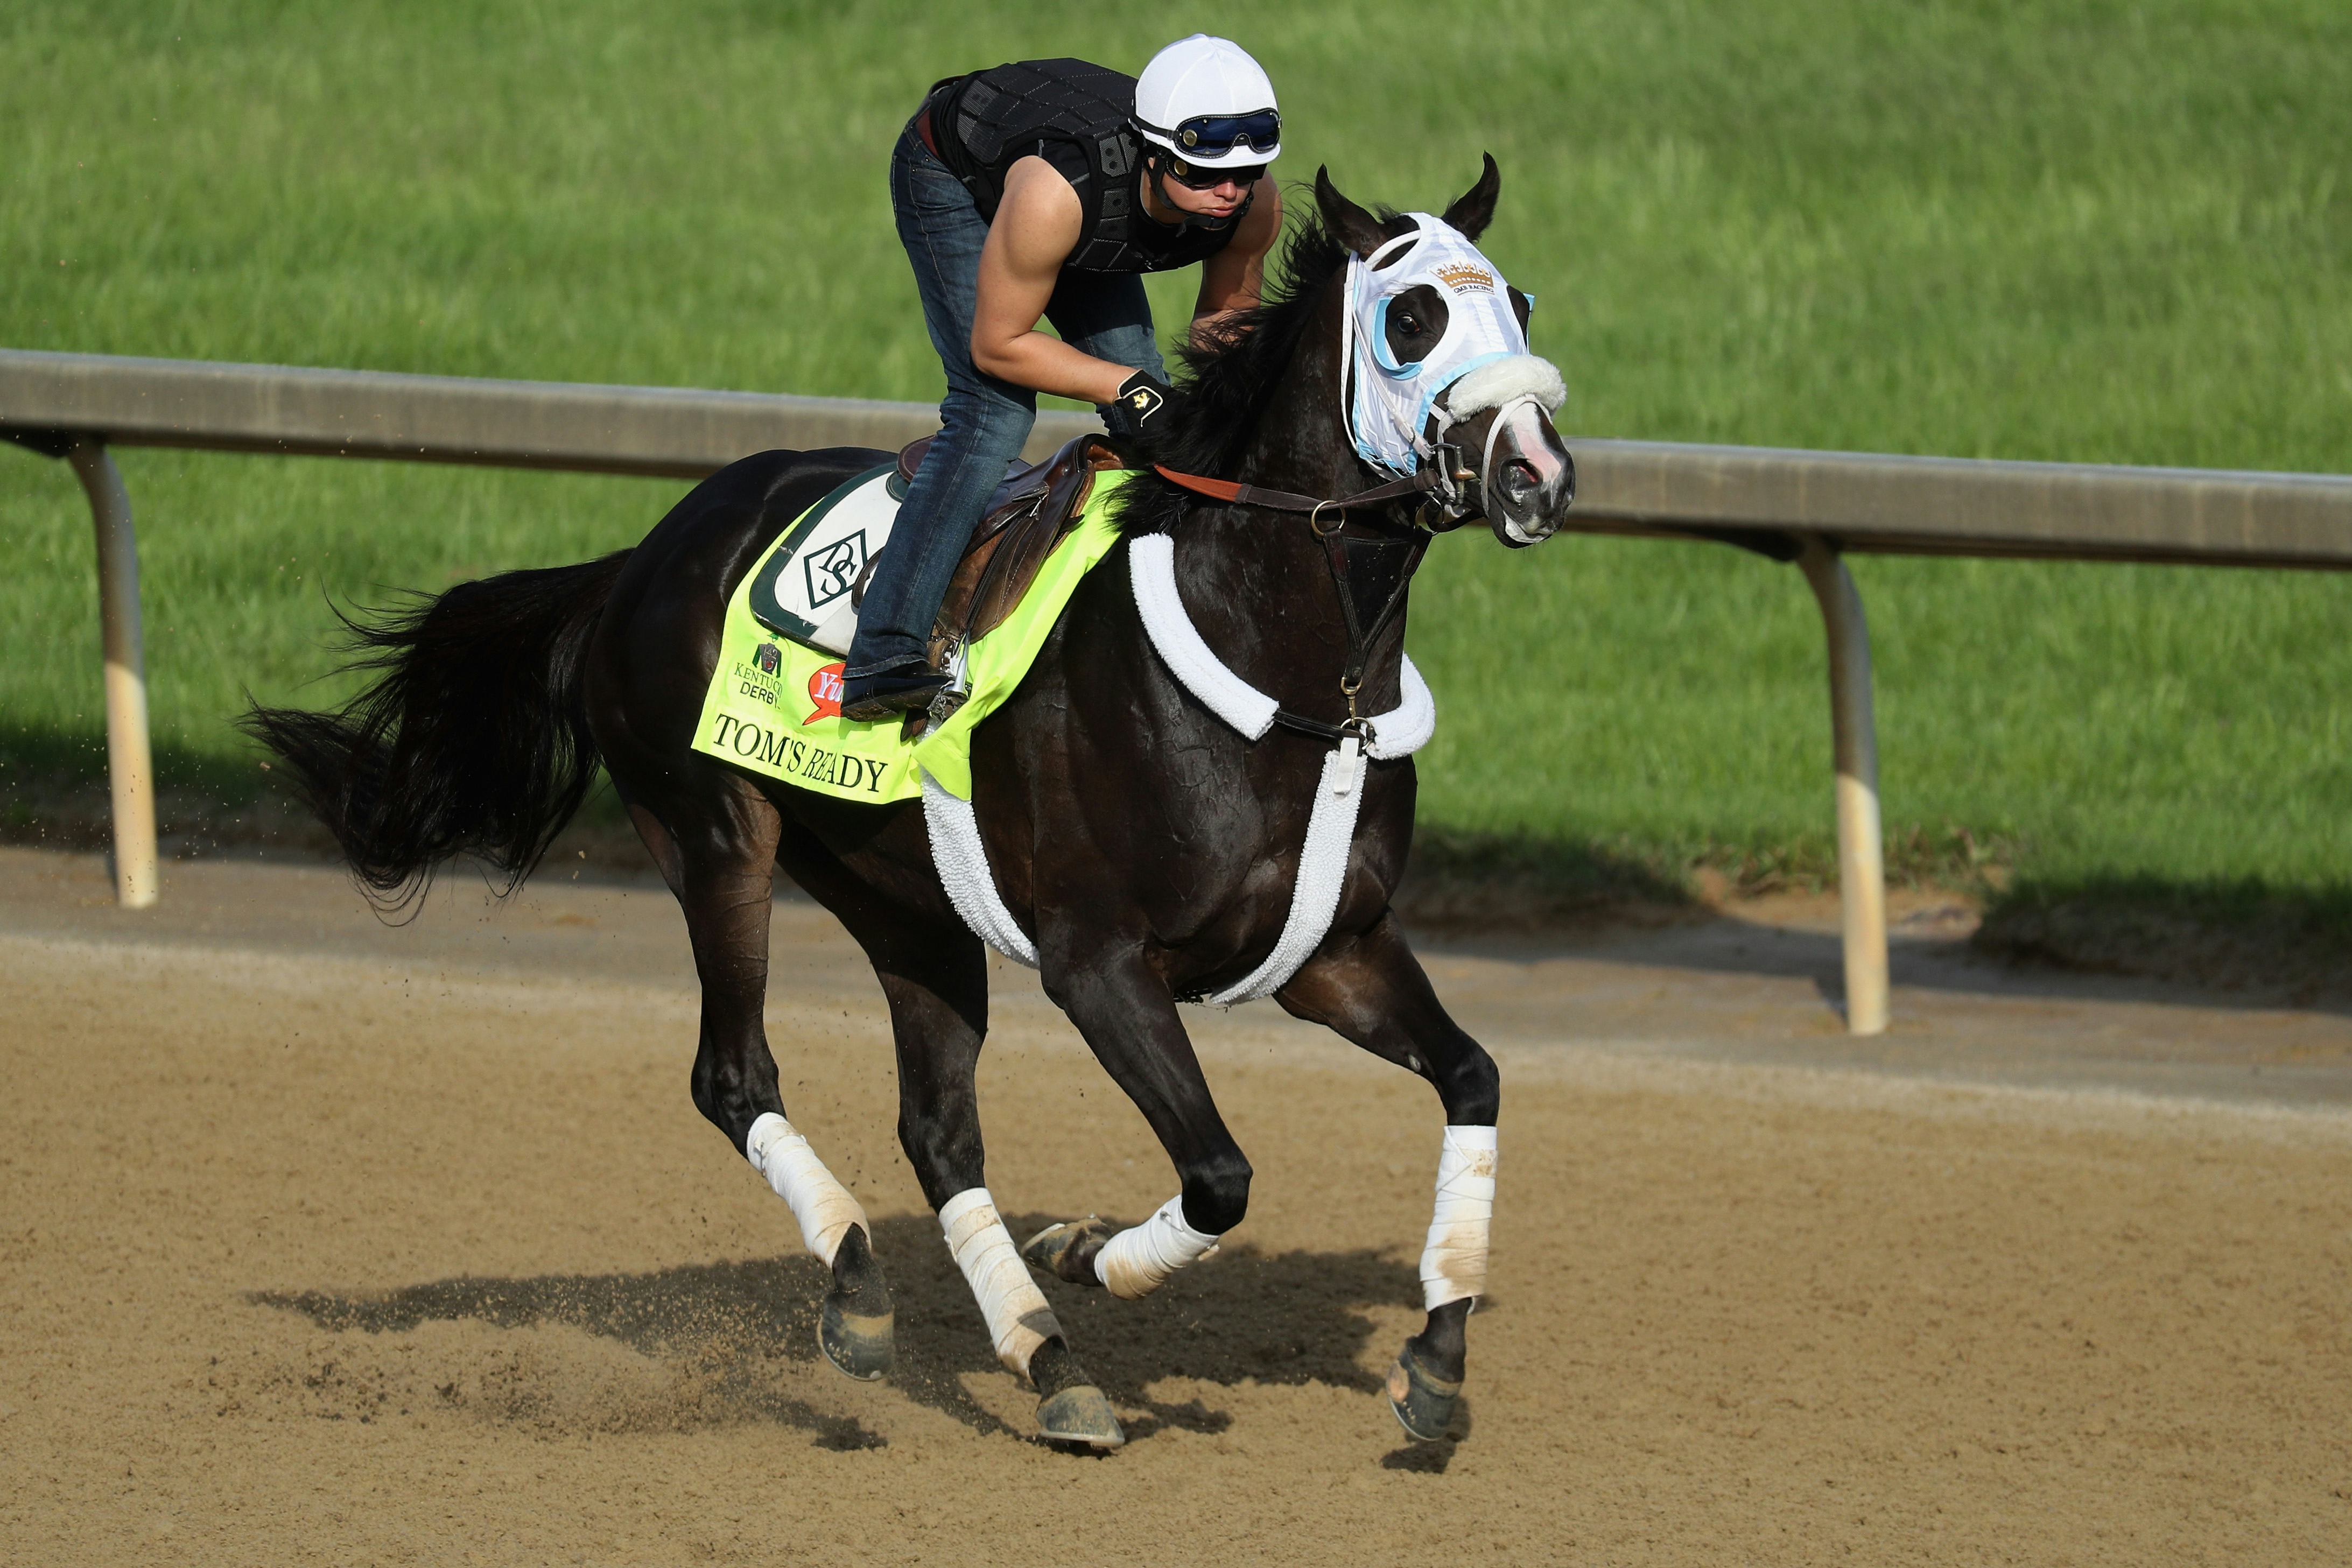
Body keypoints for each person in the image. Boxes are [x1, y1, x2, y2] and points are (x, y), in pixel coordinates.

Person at [841, 36, 1286, 720]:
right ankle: (882, 651)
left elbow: (1224, 322)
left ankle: (1161, 621)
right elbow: (999, 346)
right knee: (993, 416)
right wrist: (1124, 387)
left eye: (1247, 170)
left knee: (1158, 408)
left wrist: (1216, 413)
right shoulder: (1059, 197)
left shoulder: (1250, 207)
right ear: (1155, 151)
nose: (1227, 191)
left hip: (1080, 211)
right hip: (955, 173)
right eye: (1201, 173)